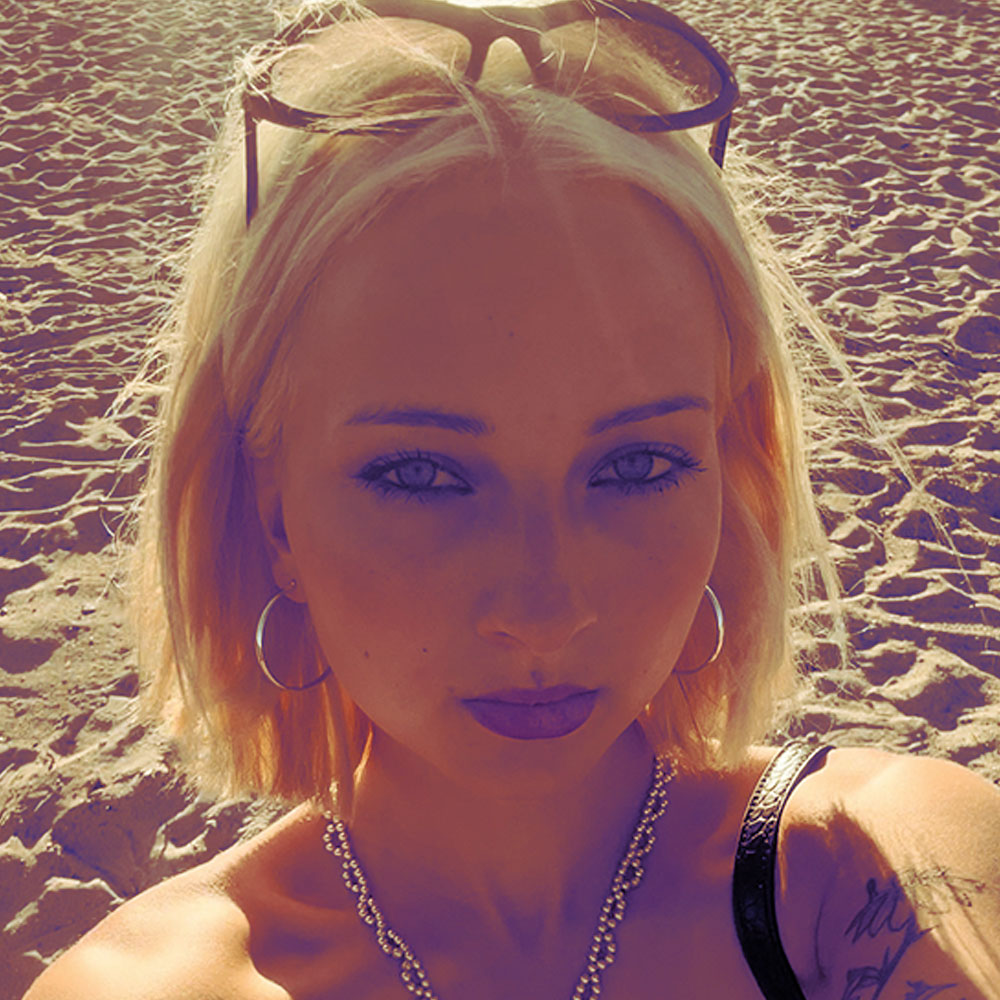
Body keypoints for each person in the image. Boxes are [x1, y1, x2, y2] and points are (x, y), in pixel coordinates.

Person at [24, 1, 1000, 998]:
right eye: (419, 474)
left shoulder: (875, 868)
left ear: (728, 469)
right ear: (273, 515)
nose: (544, 611)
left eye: (638, 466)